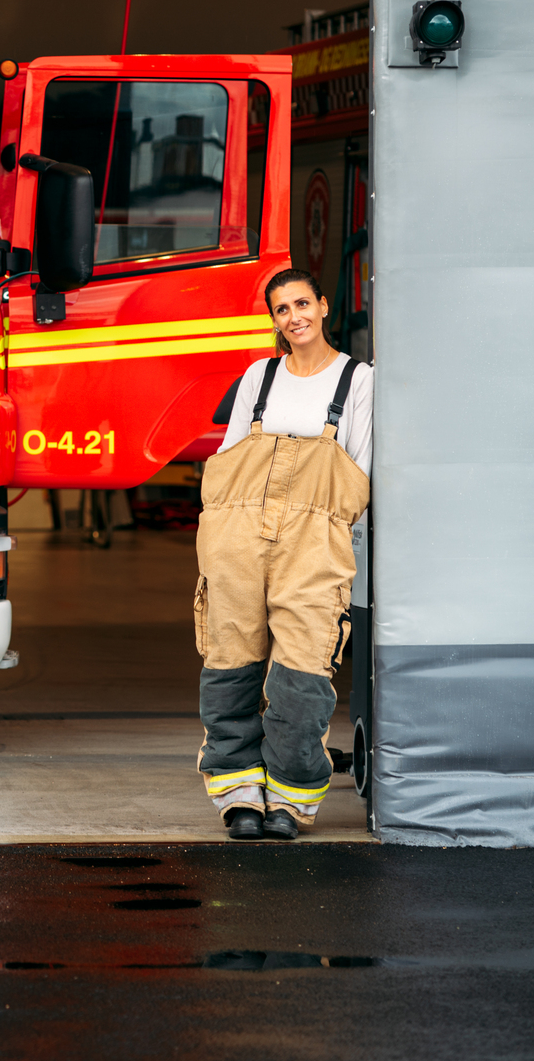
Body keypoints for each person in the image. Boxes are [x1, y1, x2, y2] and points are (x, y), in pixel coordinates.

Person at [194, 268, 372, 841]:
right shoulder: (259, 375)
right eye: (280, 309)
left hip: (314, 542)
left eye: (302, 304)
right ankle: (238, 791)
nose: (293, 317)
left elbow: (361, 472)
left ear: (324, 306)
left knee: (302, 675)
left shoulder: (358, 380)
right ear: (273, 319)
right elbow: (228, 459)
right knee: (230, 669)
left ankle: (292, 798)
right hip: (237, 537)